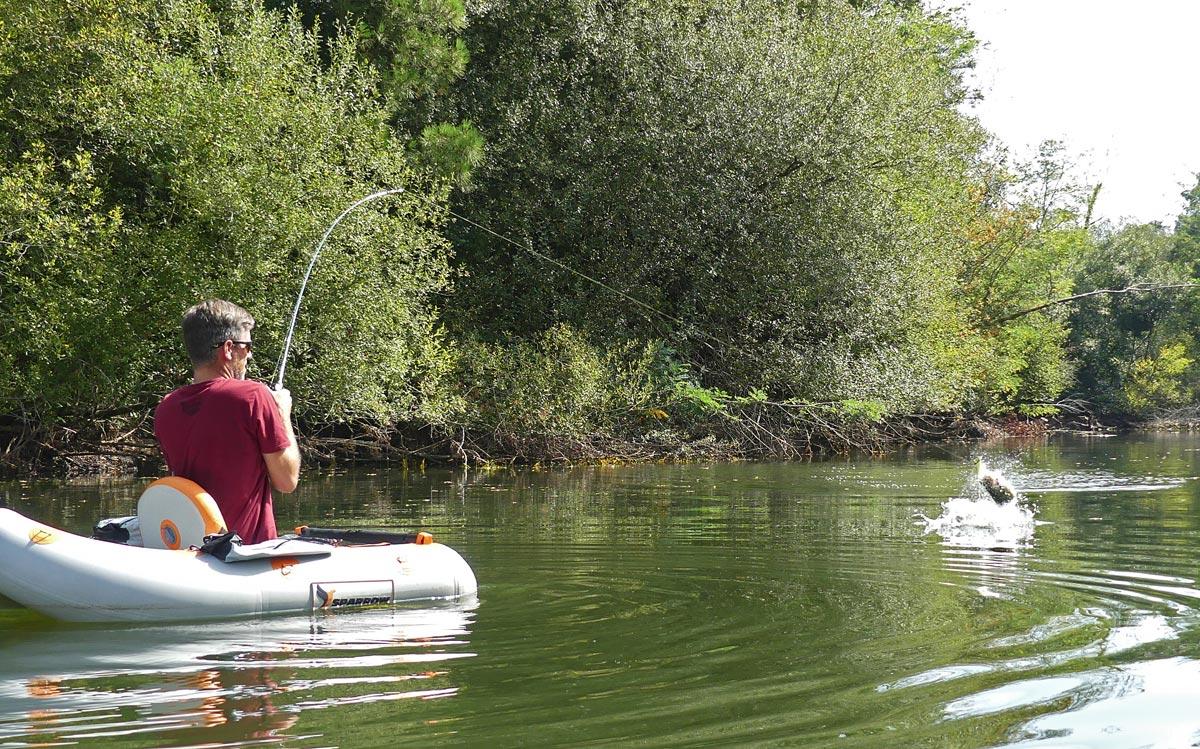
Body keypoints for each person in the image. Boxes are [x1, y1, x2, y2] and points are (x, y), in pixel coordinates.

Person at [154, 300, 300, 543]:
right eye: (247, 346)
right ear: (229, 349)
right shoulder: (253, 396)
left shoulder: (166, 408)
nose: (250, 354)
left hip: (192, 551)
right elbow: (287, 481)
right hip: (245, 556)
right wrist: (283, 413)